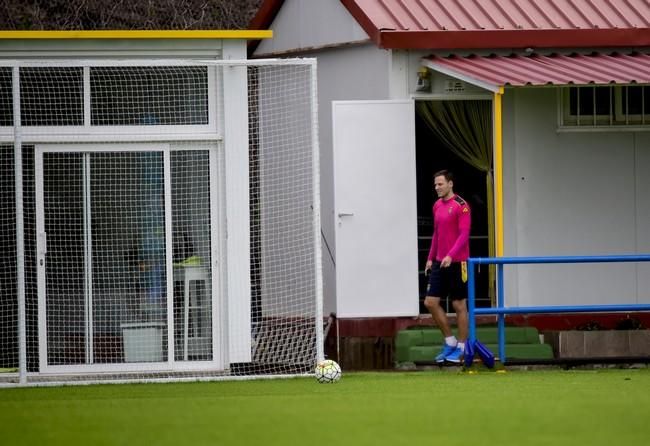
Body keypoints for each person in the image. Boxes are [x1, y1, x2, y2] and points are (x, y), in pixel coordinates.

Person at [424, 170, 471, 364]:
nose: (437, 188)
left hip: (458, 262)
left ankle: (461, 348)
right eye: (435, 185)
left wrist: (451, 255)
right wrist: (430, 257)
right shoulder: (437, 206)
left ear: (450, 184)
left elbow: (464, 234)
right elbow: (437, 234)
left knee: (459, 305)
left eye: (440, 184)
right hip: (438, 261)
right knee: (430, 302)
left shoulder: (462, 206)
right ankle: (450, 342)